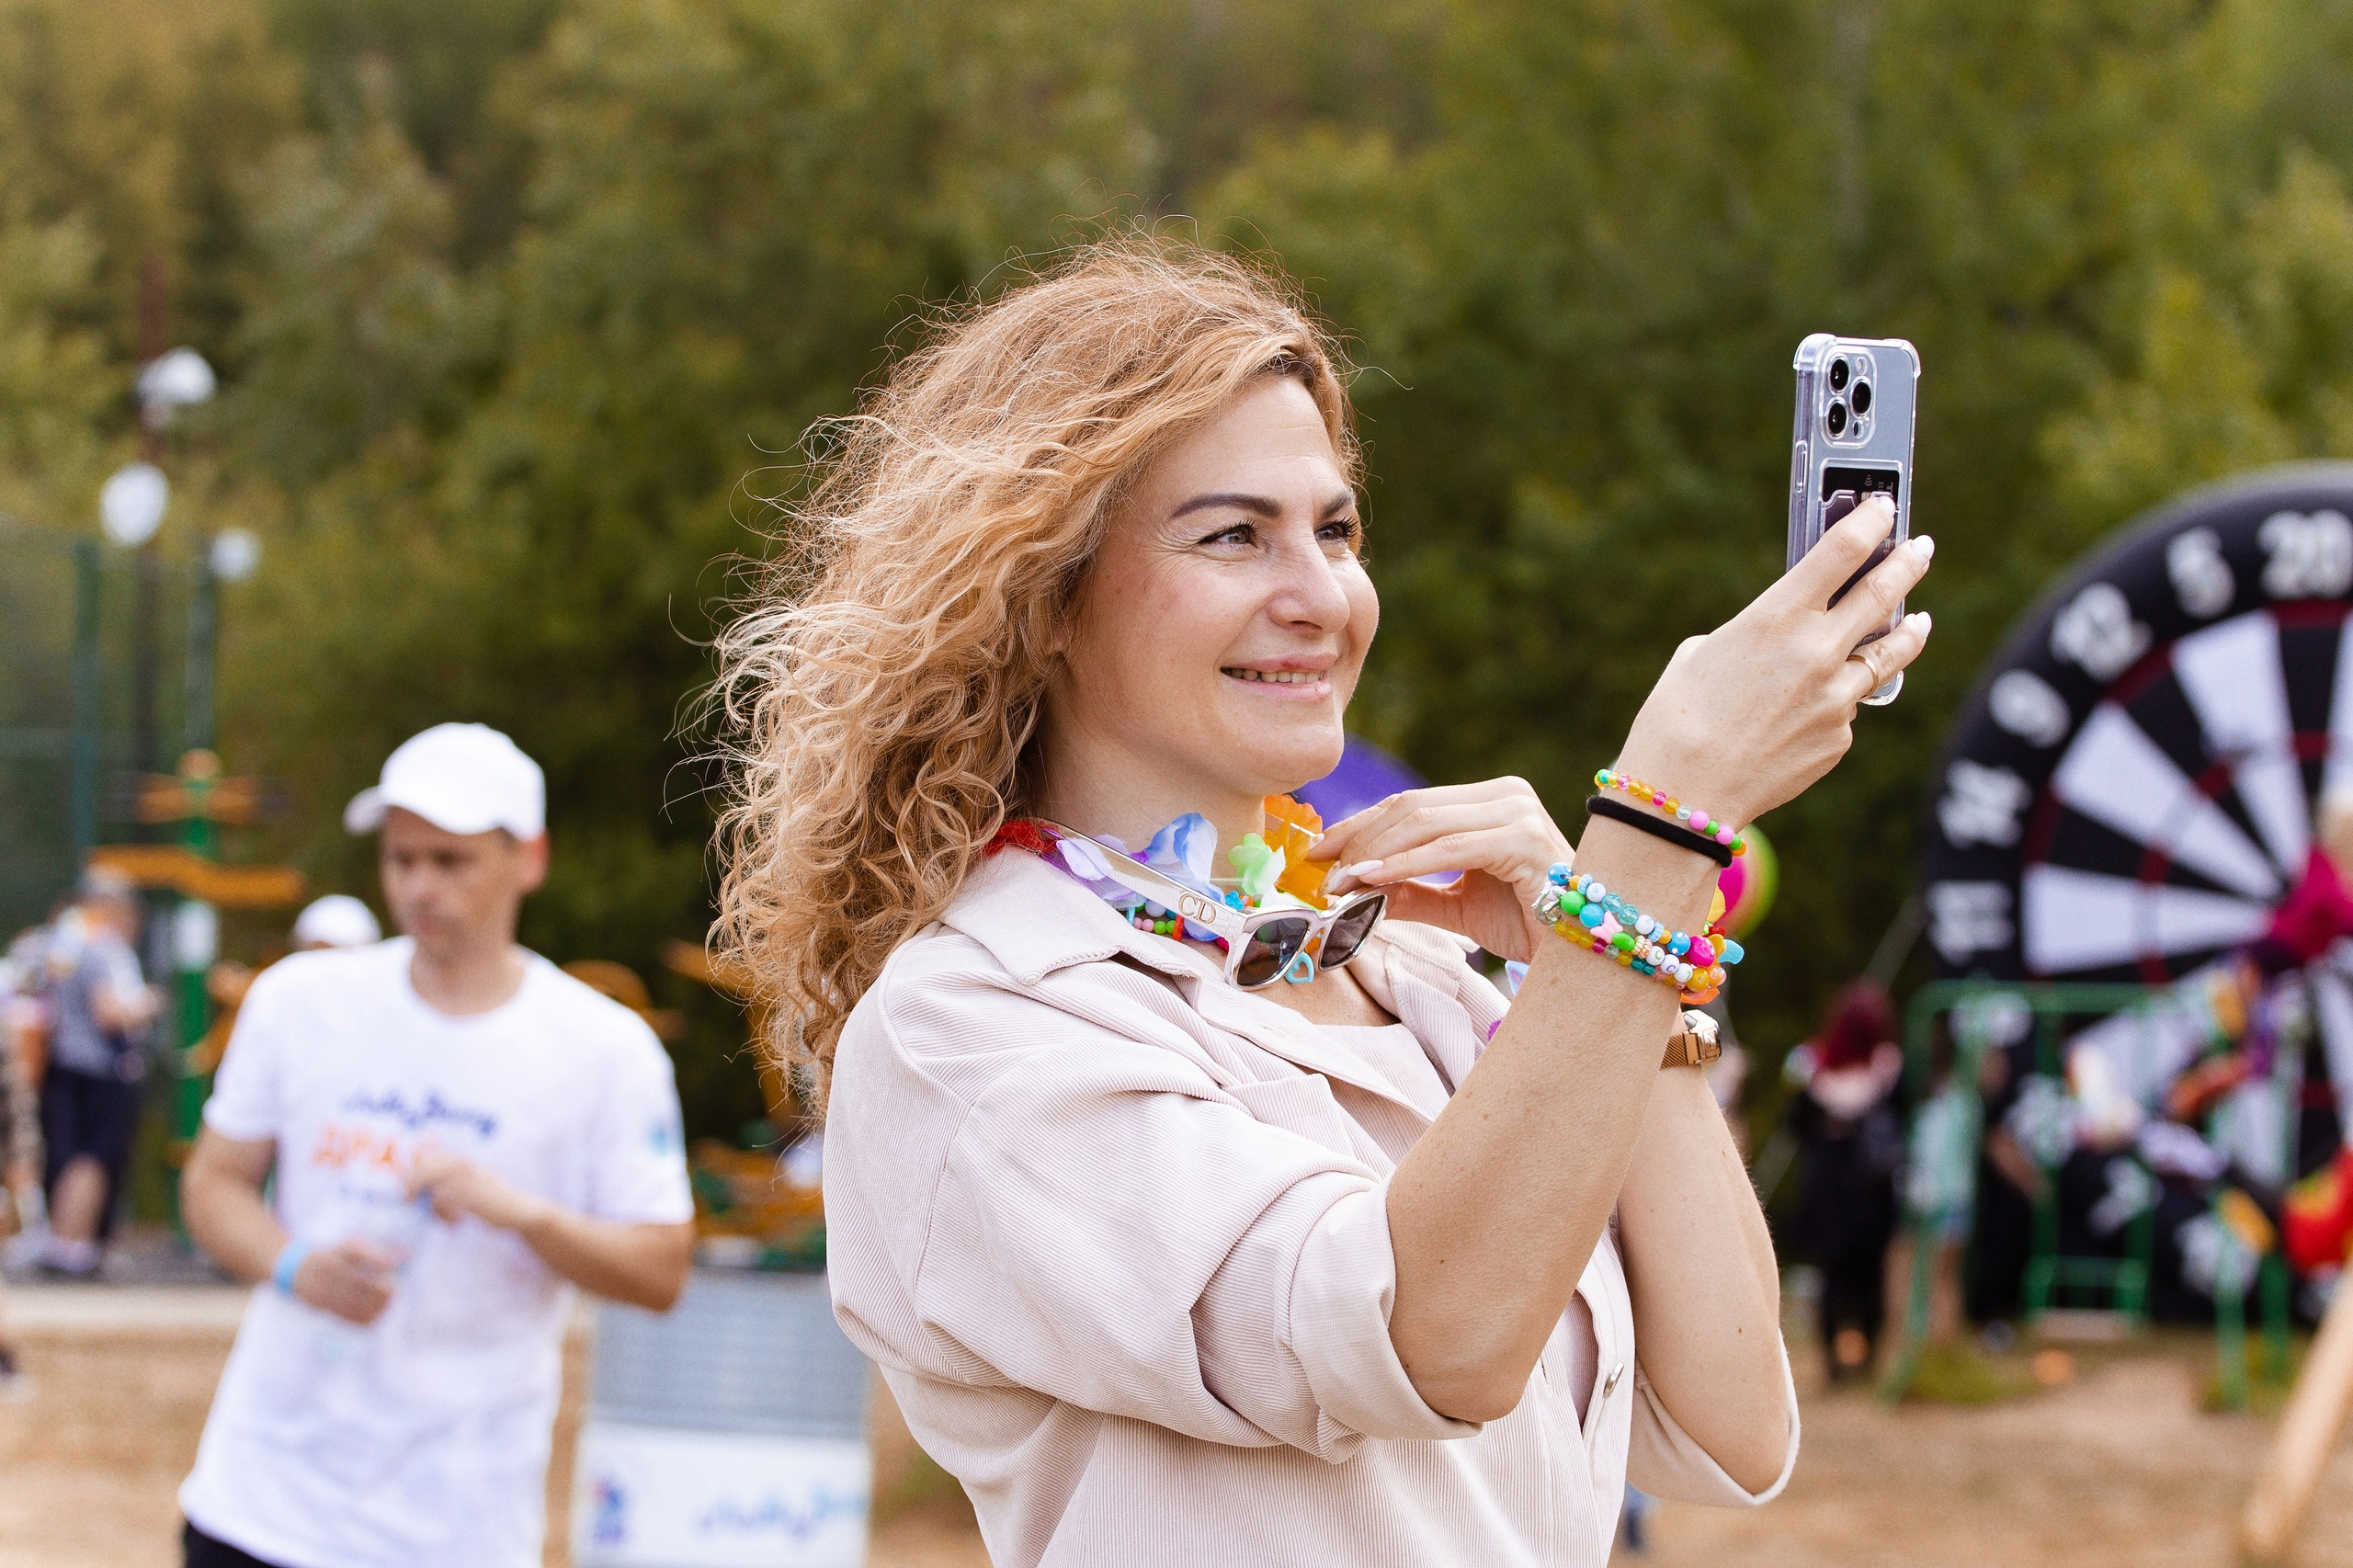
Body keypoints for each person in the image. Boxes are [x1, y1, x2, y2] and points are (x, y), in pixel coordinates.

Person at [714, 237, 1935, 1564]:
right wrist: (1655, 834)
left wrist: (1612, 956)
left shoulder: (1414, 973)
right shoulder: (972, 1023)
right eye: (1235, 534)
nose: (1321, 596)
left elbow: (1732, 1426)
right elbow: (1426, 1339)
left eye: (1336, 529)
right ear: (1043, 596)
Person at [176, 722, 696, 1568]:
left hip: (459, 1522)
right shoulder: (300, 1001)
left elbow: (660, 1267)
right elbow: (214, 1182)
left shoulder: (601, 1048)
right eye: (400, 858)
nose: (419, 886)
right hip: (263, 1501)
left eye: (450, 861)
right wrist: (295, 1265)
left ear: (528, 859)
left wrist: (520, 1213)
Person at [36, 868, 160, 1278]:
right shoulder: (101, 946)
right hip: (101, 1068)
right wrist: (148, 1004)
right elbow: (108, 1012)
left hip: (67, 1062)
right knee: (91, 1158)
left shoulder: (66, 943)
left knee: (69, 1154)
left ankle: (63, 1241)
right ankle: (76, 1245)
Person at [1782, 982, 1905, 1382]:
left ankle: (1835, 1366)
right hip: (1873, 1191)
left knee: (1833, 1280)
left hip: (1827, 1190)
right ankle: (1866, 1364)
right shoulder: (1890, 1069)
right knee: (1870, 1279)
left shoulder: (1810, 1068)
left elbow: (1795, 1125)